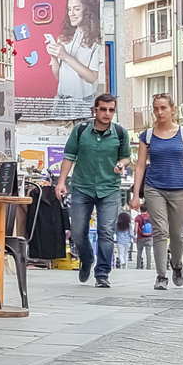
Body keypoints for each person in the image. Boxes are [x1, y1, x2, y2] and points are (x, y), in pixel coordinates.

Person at [55, 94, 130, 288]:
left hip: (109, 189)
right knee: (78, 232)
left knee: (106, 232)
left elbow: (126, 157)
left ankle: (102, 273)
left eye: (111, 110)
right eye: (103, 109)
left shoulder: (120, 133)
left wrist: (121, 164)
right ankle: (87, 258)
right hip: (82, 187)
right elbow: (69, 156)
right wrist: (61, 182)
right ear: (94, 110)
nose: (107, 114)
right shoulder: (80, 131)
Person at [129, 93, 183, 291]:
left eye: (163, 108)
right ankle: (161, 275)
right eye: (156, 108)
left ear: (172, 109)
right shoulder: (147, 136)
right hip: (154, 187)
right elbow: (140, 166)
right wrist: (135, 195)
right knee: (160, 230)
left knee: (178, 233)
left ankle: (177, 265)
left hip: (179, 188)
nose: (159, 112)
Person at [45, 0, 102, 108]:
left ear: (88, 12)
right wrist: (54, 57)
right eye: (69, 9)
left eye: (76, 9)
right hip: (62, 102)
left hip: (83, 104)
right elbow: (59, 77)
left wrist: (65, 56)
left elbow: (92, 77)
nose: (71, 13)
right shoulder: (63, 38)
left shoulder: (97, 41)